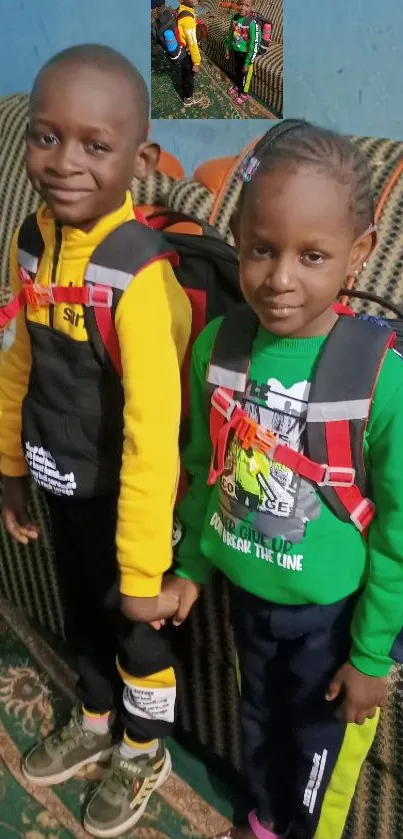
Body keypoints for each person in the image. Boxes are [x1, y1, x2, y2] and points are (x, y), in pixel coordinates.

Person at [158, 120, 403, 839]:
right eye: (261, 249)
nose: (280, 277)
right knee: (257, 722)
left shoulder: (380, 378)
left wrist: (368, 656)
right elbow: (205, 472)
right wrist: (190, 567)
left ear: (356, 255)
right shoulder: (219, 346)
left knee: (317, 750)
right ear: (236, 237)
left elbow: (395, 529)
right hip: (246, 596)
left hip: (331, 620)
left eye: (313, 254)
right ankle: (261, 818)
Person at [0, 44, 191, 838]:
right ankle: (92, 713)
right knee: (80, 612)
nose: (63, 162)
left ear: (140, 159)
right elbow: (19, 357)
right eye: (46, 137)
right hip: (63, 476)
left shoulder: (137, 276)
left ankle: (144, 747)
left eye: (94, 144)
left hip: (132, 500)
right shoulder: (32, 242)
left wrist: (145, 567)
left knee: (131, 629)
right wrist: (10, 466)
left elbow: (154, 435)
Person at [225, 0, 260, 105]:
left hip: (246, 55)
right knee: (238, 71)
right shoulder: (235, 18)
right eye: (240, 4)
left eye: (247, 5)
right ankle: (238, 85)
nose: (242, 8)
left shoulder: (250, 22)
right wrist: (228, 48)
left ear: (252, 7)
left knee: (245, 74)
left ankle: (244, 93)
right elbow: (231, 34)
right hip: (237, 51)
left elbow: (254, 44)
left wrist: (248, 62)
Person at [177, 0, 202, 106]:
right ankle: (188, 99)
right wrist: (196, 63)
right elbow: (192, 43)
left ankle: (185, 89)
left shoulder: (182, 9)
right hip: (188, 53)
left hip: (182, 48)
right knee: (189, 77)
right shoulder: (188, 19)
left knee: (185, 73)